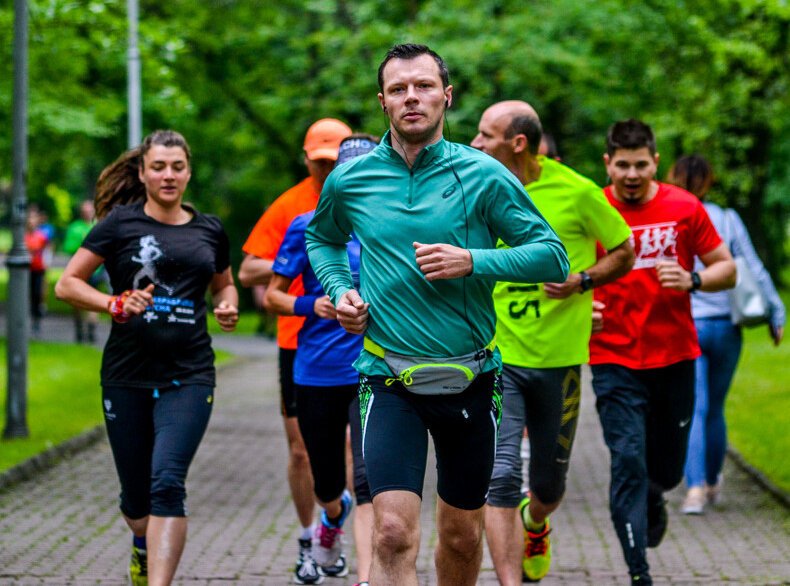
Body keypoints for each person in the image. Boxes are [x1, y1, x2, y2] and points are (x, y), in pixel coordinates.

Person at [305, 44, 569, 586]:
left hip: (471, 379)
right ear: (383, 102)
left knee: (461, 535)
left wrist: (474, 260)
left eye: (423, 86)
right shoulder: (350, 180)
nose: (411, 98)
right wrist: (342, 291)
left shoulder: (484, 174)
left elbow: (553, 256)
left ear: (446, 96)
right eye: (399, 89)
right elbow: (323, 239)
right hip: (387, 377)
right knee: (392, 533)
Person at [54, 130, 239, 586]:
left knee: (167, 483)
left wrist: (229, 305)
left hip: (190, 374)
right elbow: (67, 285)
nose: (168, 175)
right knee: (137, 505)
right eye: (158, 167)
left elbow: (224, 285)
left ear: (189, 172)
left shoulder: (209, 229)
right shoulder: (119, 225)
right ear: (142, 173)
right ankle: (141, 541)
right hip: (127, 376)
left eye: (177, 167)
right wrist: (113, 303)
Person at [471, 101, 635, 584]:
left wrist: (583, 280)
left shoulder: (577, 192)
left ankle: (535, 523)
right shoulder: (475, 186)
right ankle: (509, 581)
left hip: (559, 360)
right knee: (499, 477)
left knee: (547, 486)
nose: (475, 144)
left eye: (485, 135)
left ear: (518, 143)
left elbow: (625, 251)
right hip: (498, 357)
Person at [589, 120, 736, 586]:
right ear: (608, 164)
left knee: (666, 471)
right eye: (622, 166)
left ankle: (656, 495)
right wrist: (580, 305)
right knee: (627, 458)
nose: (631, 175)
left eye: (640, 165)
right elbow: (564, 272)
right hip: (612, 356)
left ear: (654, 162)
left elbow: (726, 269)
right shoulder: (589, 208)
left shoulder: (684, 207)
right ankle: (639, 574)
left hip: (674, 356)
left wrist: (693, 279)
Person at [238, 117, 354, 583]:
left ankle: (336, 531)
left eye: (334, 161)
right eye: (319, 161)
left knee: (351, 449)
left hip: (357, 348)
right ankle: (308, 539)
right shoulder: (291, 208)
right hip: (300, 346)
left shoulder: (366, 195)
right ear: (306, 158)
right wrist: (300, 256)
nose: (326, 170)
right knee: (303, 451)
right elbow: (248, 273)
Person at [265, 133, 381, 585]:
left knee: (370, 480)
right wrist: (310, 306)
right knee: (327, 483)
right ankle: (332, 517)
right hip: (316, 371)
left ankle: (368, 578)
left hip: (374, 370)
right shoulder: (306, 225)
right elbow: (273, 296)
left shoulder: (393, 228)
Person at [666, 155, 786, 515]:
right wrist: (775, 312)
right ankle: (714, 482)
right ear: (708, 181)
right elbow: (753, 267)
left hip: (688, 325)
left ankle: (695, 490)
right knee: (714, 409)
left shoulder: (670, 216)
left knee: (696, 408)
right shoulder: (728, 218)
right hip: (728, 327)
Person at [63, 199, 106, 343]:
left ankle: (92, 330)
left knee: (94, 299)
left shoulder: (99, 226)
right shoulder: (74, 228)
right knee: (77, 300)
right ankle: (79, 328)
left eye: (90, 210)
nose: (87, 213)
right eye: (85, 211)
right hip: (80, 270)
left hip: (96, 270)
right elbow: (68, 247)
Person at [26, 208, 50, 336]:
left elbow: (47, 250)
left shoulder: (41, 236)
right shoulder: (23, 236)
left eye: (33, 218)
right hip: (26, 271)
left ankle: (36, 322)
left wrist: (47, 262)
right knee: (27, 295)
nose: (31, 221)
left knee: (37, 294)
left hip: (38, 269)